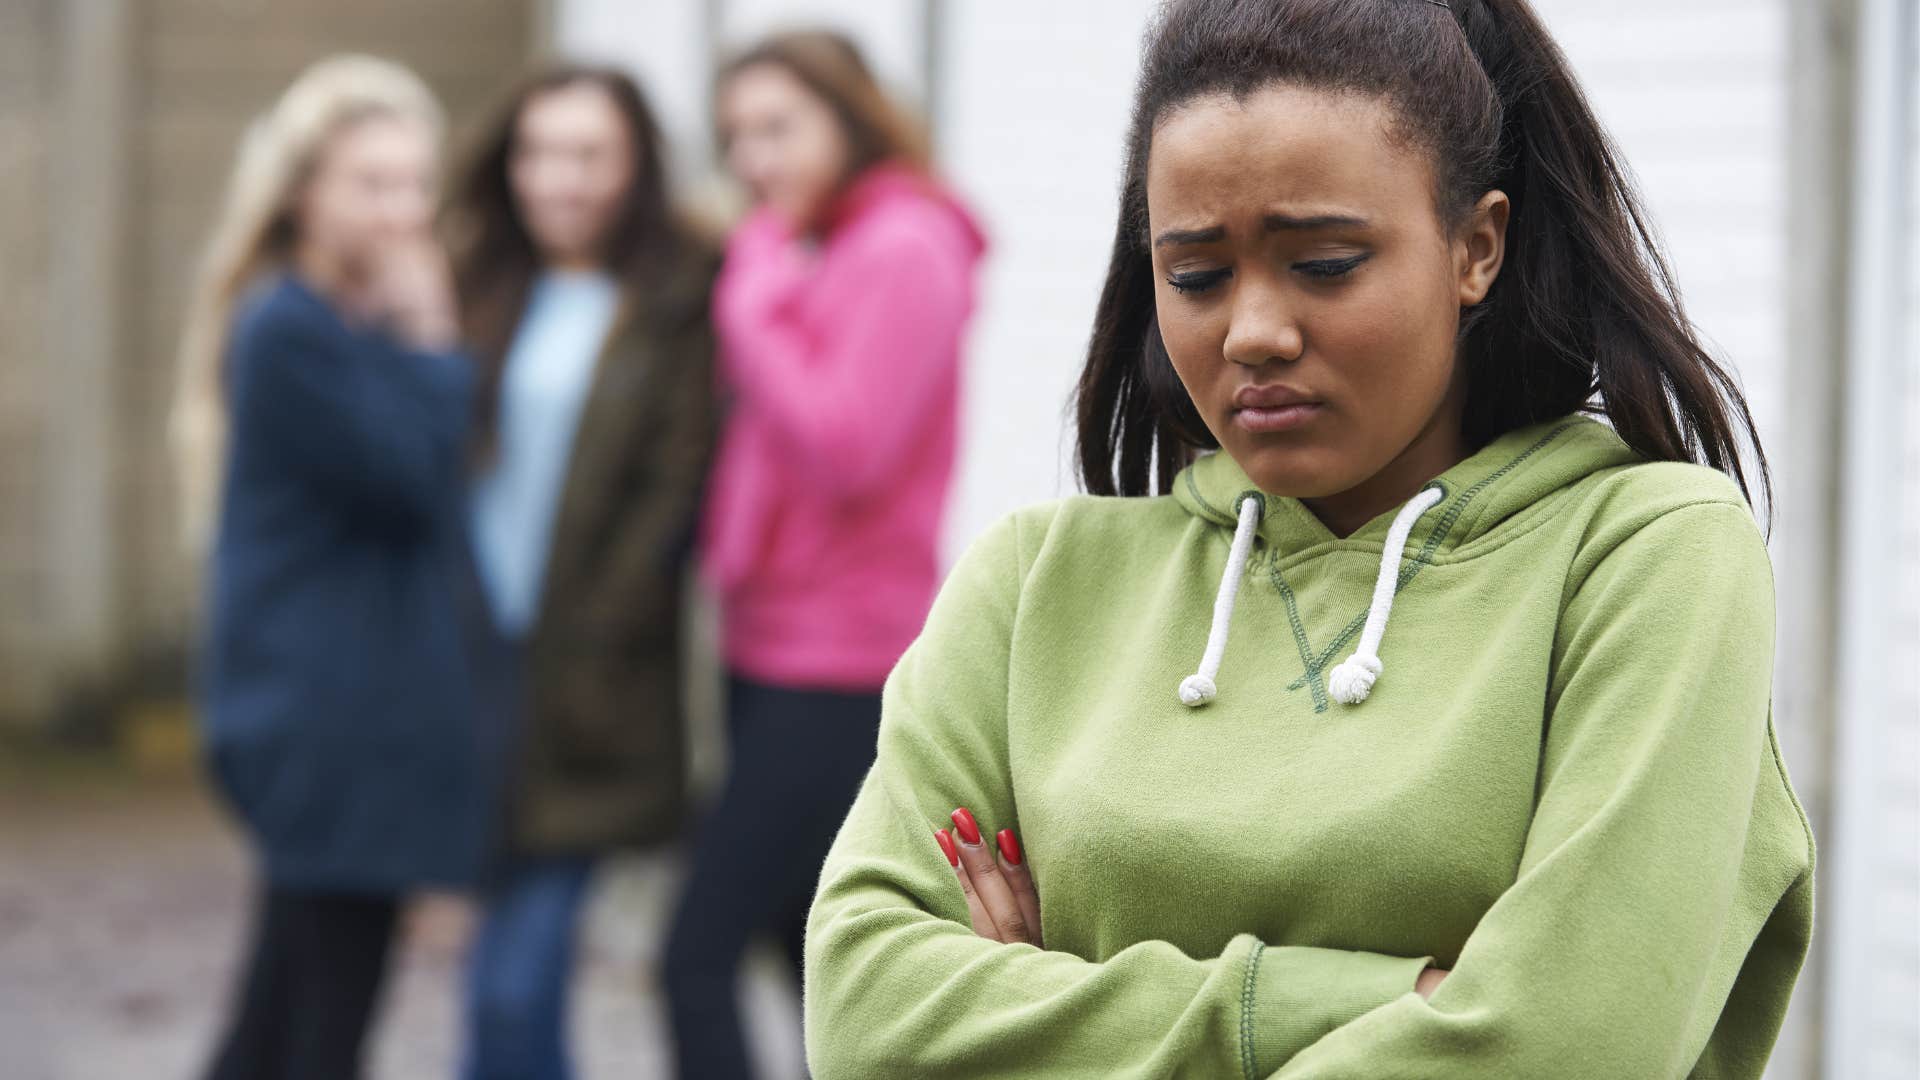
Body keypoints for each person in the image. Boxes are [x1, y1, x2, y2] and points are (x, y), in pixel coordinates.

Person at [802, 1, 1815, 1077]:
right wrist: (1377, 998)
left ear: (1476, 248)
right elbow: (869, 1018)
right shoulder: (1034, 583)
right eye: (1194, 275)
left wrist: (1054, 1010)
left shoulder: (1644, 559)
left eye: (1325, 262)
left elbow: (1561, 1049)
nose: (1253, 332)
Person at [666, 29, 987, 1080]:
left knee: (694, 954)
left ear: (850, 117)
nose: (753, 161)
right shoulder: (821, 243)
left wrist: (751, 305)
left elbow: (848, 443)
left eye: (777, 128)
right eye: (735, 137)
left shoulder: (905, 246)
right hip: (766, 636)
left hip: (841, 654)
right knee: (801, 945)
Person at [172, 55, 496, 1080]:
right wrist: (436, 336)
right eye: (373, 183)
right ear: (303, 191)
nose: (405, 213)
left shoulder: (335, 327)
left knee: (281, 1006)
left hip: (346, 715)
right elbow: (409, 481)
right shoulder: (289, 329)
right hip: (321, 723)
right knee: (323, 1016)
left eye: (416, 183)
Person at [443, 64, 719, 1080]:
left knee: (515, 980)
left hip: (594, 674)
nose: (560, 180)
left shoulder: (681, 292)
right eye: (539, 152)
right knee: (494, 990)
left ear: (635, 165)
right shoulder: (476, 279)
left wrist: (604, 631)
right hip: (473, 663)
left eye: (588, 154)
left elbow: (675, 488)